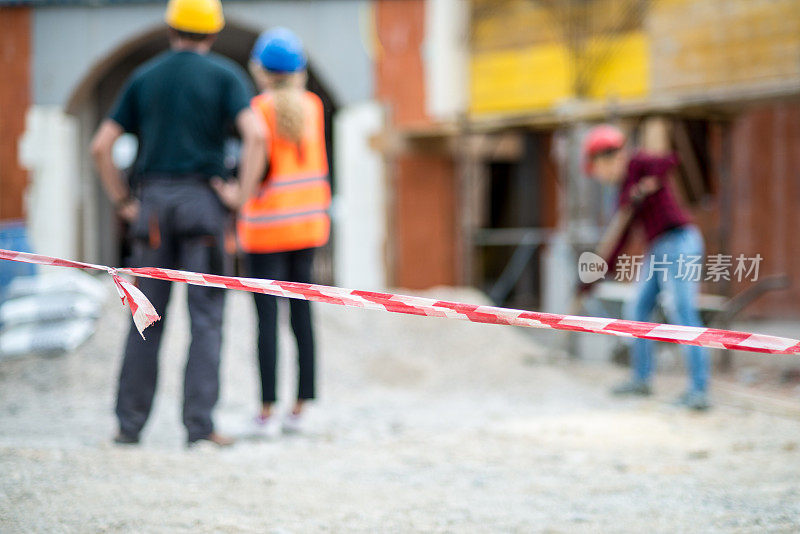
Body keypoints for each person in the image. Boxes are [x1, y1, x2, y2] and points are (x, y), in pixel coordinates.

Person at [90, 0, 266, 447]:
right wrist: (239, 195)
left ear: (171, 28)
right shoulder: (226, 76)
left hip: (153, 206)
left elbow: (100, 146)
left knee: (146, 317)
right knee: (206, 319)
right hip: (204, 205)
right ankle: (199, 428)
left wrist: (124, 200)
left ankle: (129, 426)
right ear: (213, 33)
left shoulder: (144, 77)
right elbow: (258, 135)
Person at [214, 28, 331, 437]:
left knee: (266, 321)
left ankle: (265, 411)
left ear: (260, 71)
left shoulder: (258, 110)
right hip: (307, 227)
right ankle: (301, 409)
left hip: (264, 231)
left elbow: (254, 168)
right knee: (302, 316)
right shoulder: (313, 106)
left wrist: (233, 195)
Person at [581, 122, 711, 411]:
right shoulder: (625, 192)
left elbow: (669, 160)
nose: (602, 178)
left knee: (682, 311)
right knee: (638, 310)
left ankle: (700, 390)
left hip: (679, 241)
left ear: (608, 158)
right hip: (658, 248)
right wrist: (595, 276)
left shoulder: (638, 163)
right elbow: (620, 239)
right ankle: (641, 380)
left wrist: (647, 182)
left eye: (600, 171)